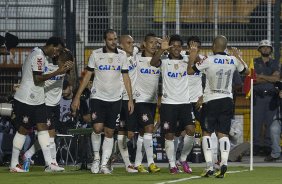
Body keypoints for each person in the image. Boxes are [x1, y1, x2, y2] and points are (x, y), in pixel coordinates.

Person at [71, 29, 134, 174]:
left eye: (115, 39)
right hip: (98, 97)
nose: (114, 42)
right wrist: (77, 97)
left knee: (110, 132)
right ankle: (97, 159)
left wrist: (130, 99)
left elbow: (126, 78)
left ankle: (105, 165)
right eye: (110, 39)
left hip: (116, 99)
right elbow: (87, 76)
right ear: (104, 40)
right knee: (97, 129)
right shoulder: (96, 54)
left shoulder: (122, 55)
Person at [187, 35, 249, 178]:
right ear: (225, 47)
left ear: (214, 46)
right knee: (223, 134)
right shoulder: (232, 60)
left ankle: (209, 166)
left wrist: (192, 56)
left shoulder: (208, 59)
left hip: (211, 100)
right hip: (227, 100)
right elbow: (245, 71)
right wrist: (238, 57)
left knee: (207, 133)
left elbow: (190, 71)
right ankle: (224, 163)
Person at [10, 36, 71, 172]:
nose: (56, 54)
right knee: (23, 130)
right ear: (52, 46)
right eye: (57, 50)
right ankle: (14, 164)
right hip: (27, 98)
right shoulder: (39, 55)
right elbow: (38, 78)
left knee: (44, 129)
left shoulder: (38, 52)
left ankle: (50, 163)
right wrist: (58, 71)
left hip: (38, 99)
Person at [22, 49, 75, 172]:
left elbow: (72, 81)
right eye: (64, 63)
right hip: (44, 103)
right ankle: (50, 163)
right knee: (48, 135)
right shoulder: (48, 67)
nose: (65, 66)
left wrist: (71, 68)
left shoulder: (65, 70)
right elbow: (38, 78)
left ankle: (28, 155)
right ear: (60, 60)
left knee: (50, 136)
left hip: (55, 105)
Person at [150, 34, 195, 174]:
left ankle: (183, 158)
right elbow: (152, 62)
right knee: (168, 135)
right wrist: (161, 50)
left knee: (191, 130)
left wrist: (193, 53)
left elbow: (197, 64)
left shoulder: (187, 59)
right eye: (173, 45)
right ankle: (171, 165)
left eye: (178, 46)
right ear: (169, 47)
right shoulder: (164, 60)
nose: (176, 48)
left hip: (185, 103)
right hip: (168, 103)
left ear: (182, 48)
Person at [133, 33, 161, 173]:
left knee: (143, 132)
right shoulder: (136, 58)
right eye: (151, 42)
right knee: (149, 128)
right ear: (144, 44)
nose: (154, 45)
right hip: (140, 100)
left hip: (152, 101)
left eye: (156, 42)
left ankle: (138, 163)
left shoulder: (160, 61)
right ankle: (151, 163)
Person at [253, 39, 280, 156]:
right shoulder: (253, 62)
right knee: (256, 123)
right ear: (259, 49)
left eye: (267, 47)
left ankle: (269, 147)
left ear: (271, 49)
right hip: (258, 97)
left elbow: (276, 79)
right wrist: (269, 77)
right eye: (263, 47)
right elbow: (253, 80)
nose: (265, 49)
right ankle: (256, 146)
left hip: (271, 97)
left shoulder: (275, 62)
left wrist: (261, 76)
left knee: (270, 123)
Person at [117, 35, 138, 173]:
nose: (132, 45)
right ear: (121, 45)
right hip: (120, 99)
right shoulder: (118, 57)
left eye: (132, 42)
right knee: (122, 133)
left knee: (130, 134)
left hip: (132, 99)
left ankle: (116, 156)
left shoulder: (135, 52)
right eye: (128, 43)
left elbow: (143, 45)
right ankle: (127, 163)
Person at [264, 82, 282, 162]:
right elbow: (271, 107)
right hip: (279, 119)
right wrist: (279, 98)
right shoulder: (276, 95)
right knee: (273, 129)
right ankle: (276, 153)